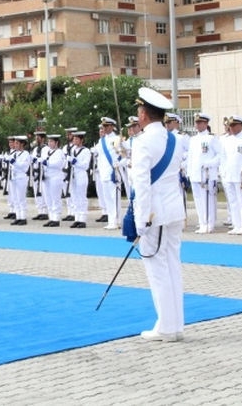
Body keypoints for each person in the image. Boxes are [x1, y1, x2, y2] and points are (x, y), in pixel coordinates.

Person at [129, 87, 186, 342]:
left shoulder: (143, 142)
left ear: (143, 114)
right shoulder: (174, 139)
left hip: (155, 213)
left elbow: (142, 184)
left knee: (158, 269)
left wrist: (141, 220)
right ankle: (175, 325)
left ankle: (166, 327)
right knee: (173, 267)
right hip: (174, 211)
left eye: (139, 111)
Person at [186, 113, 222, 234]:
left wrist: (210, 163)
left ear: (206, 123)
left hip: (207, 174)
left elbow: (220, 155)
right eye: (196, 122)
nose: (198, 125)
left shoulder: (211, 138)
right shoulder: (193, 139)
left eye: (200, 122)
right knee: (198, 201)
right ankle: (202, 223)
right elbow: (190, 158)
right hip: (195, 174)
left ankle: (209, 224)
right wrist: (189, 173)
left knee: (208, 200)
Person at [219, 115, 242, 235]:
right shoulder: (227, 141)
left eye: (233, 125)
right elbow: (223, 158)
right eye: (230, 125)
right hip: (229, 175)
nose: (231, 128)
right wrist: (223, 172)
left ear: (240, 125)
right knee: (233, 202)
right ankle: (237, 224)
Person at [96, 117, 122, 230]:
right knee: (107, 198)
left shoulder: (117, 139)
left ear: (112, 126)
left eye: (106, 126)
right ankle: (111, 221)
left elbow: (121, 154)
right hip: (103, 172)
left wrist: (117, 165)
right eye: (103, 126)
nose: (104, 128)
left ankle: (117, 220)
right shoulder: (101, 141)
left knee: (114, 197)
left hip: (113, 171)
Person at [67, 131, 91, 228]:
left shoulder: (86, 151)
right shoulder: (72, 150)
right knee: (74, 197)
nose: (74, 140)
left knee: (81, 197)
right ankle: (77, 218)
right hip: (73, 175)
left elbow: (85, 165)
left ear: (81, 140)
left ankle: (82, 219)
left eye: (76, 139)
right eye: (74, 139)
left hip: (81, 174)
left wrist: (74, 161)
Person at [41, 134, 66, 227]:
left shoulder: (59, 152)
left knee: (55, 198)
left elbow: (59, 164)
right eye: (49, 141)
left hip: (55, 177)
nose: (49, 143)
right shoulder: (47, 152)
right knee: (48, 198)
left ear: (56, 143)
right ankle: (51, 217)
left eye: (51, 141)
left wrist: (47, 163)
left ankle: (56, 218)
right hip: (47, 177)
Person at [8, 135, 31, 225]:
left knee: (21, 198)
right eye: (15, 143)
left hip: (21, 177)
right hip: (14, 177)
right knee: (15, 198)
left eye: (17, 143)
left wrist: (14, 162)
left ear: (22, 144)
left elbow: (23, 167)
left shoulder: (26, 154)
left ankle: (23, 217)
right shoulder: (15, 153)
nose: (15, 145)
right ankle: (18, 216)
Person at [30, 131, 49, 220]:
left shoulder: (46, 149)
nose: (36, 139)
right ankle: (40, 211)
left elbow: (45, 160)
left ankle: (45, 212)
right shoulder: (35, 149)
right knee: (36, 193)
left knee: (43, 192)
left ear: (43, 139)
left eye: (38, 138)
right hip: (36, 172)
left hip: (42, 172)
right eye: (36, 138)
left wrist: (37, 159)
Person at [62, 127, 78, 221]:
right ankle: (70, 212)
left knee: (73, 192)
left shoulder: (76, 147)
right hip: (65, 171)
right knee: (66, 192)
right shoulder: (65, 147)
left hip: (72, 172)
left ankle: (75, 212)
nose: (68, 136)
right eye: (67, 134)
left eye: (70, 134)